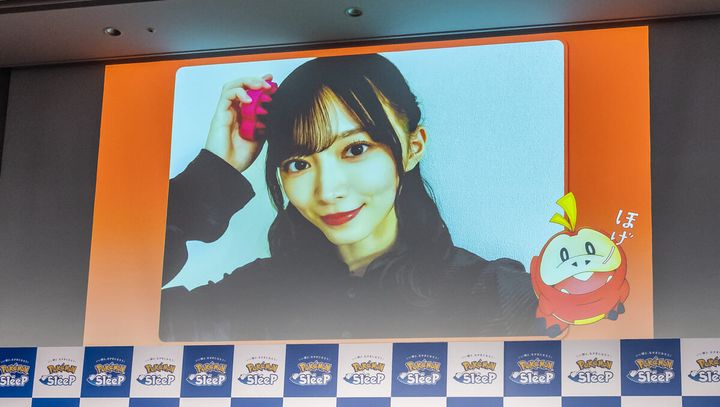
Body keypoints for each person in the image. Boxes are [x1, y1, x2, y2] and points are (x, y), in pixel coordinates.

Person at [160, 53, 540, 341]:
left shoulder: (500, 297)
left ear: (413, 147)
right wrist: (211, 173)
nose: (328, 191)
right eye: (298, 163)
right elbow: (126, 309)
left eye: (355, 149)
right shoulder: (252, 298)